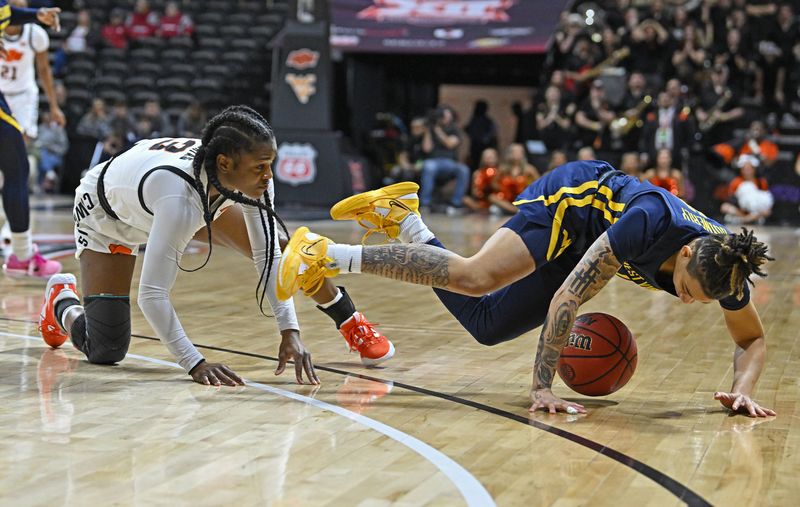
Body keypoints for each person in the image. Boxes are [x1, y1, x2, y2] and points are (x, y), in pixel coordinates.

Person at [279, 158, 776, 418]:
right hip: (577, 204)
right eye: (688, 289)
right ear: (686, 252)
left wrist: (741, 391)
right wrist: (541, 388)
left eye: (700, 301)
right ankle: (327, 254)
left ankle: (404, 217)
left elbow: (751, 339)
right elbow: (570, 297)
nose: (689, 301)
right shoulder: (647, 223)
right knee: (477, 277)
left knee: (488, 324)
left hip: (593, 240)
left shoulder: (725, 268)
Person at [38, 106, 395, 388]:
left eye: (269, 165)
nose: (268, 176)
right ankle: (61, 304)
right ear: (225, 163)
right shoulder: (178, 200)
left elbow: (267, 256)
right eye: (260, 167)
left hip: (175, 192)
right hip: (109, 214)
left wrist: (290, 331)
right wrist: (194, 362)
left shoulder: (251, 177)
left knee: (285, 247)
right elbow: (152, 295)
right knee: (106, 349)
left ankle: (350, 320)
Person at [0, 1, 62, 278]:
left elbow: (44, 71)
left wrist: (53, 105)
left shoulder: (33, 34)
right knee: (15, 169)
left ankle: (17, 244)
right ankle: (22, 254)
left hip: (21, 99)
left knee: (17, 163)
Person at [419, 105, 470, 214]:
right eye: (443, 115)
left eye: (447, 115)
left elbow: (450, 144)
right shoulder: (431, 129)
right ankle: (425, 203)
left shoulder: (454, 130)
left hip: (450, 163)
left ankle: (456, 203)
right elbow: (426, 149)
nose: (445, 117)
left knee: (463, 170)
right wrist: (429, 130)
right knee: (428, 166)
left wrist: (438, 130)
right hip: (433, 161)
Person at [721, 155, 773, 225]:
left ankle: (744, 220)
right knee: (725, 207)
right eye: (744, 169)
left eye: (749, 169)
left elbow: (766, 199)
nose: (746, 171)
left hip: (756, 211)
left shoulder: (761, 182)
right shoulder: (736, 182)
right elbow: (731, 199)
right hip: (740, 210)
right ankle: (747, 219)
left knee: (767, 211)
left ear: (754, 169)